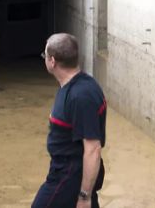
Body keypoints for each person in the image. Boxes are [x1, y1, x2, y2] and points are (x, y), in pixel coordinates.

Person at [32, 33, 107, 208]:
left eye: (45, 56)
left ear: (52, 61)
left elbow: (93, 149)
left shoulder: (81, 96)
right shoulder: (75, 86)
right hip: (64, 170)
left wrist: (84, 196)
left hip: (69, 174)